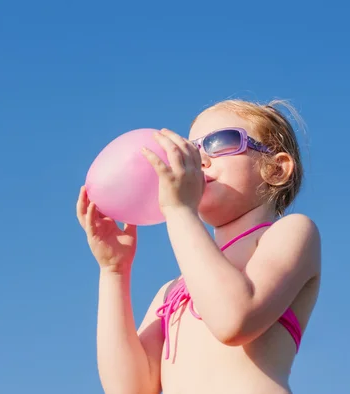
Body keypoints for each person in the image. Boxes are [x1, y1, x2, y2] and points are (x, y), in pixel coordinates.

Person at [76, 99, 321, 394]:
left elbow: (234, 320)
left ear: (276, 169)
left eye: (220, 142)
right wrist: (114, 270)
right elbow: (130, 389)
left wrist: (180, 211)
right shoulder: (173, 291)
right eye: (193, 150)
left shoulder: (291, 233)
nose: (199, 160)